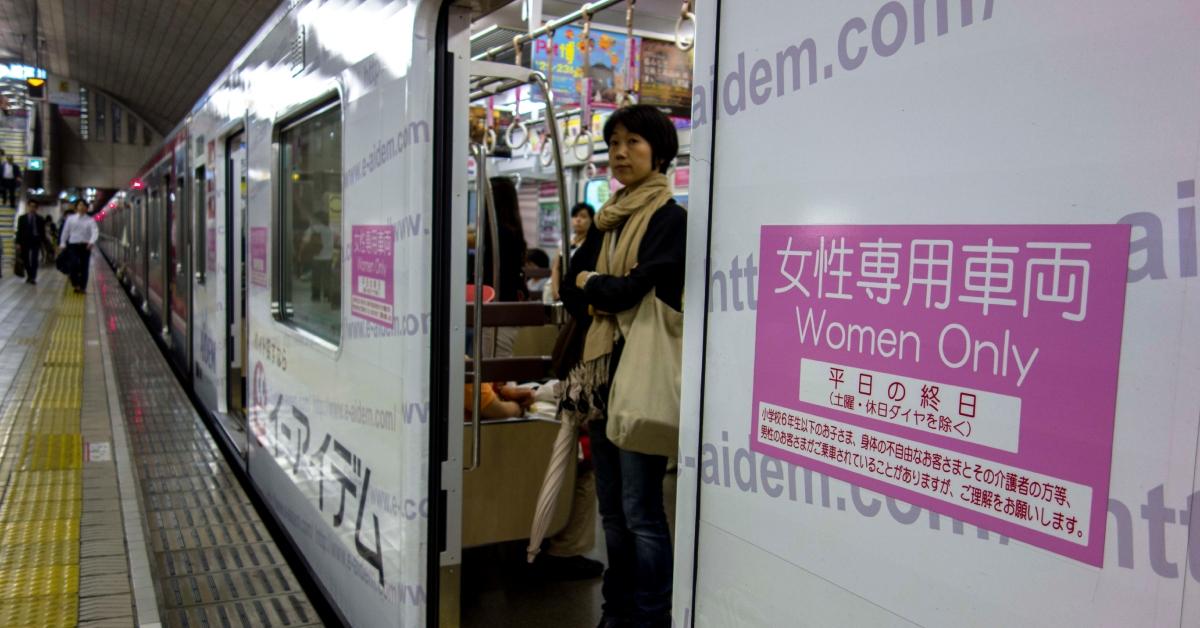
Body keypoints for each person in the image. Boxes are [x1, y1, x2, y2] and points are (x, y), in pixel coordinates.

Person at [569, 105, 685, 628]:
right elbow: (571, 286)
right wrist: (598, 288)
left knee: (642, 513)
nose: (619, 152)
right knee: (612, 512)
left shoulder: (670, 219)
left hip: (640, 379)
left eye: (633, 141)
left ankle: (651, 616)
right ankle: (616, 612)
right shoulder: (606, 220)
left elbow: (631, 289)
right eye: (613, 141)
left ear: (658, 151)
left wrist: (594, 286)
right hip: (601, 380)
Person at [475, 176, 528, 357]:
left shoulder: (498, 236)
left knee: (493, 365)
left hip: (496, 308)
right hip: (507, 307)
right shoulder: (512, 231)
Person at [550, 202, 598, 301]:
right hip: (560, 289)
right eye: (575, 216)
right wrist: (556, 291)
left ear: (591, 220)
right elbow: (556, 268)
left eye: (583, 217)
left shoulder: (592, 243)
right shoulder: (565, 241)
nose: (578, 220)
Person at [59, 198, 99, 293]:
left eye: (83, 205)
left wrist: (91, 242)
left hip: (85, 246)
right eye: (79, 205)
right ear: (76, 207)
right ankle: (75, 283)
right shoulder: (70, 219)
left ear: (86, 208)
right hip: (73, 245)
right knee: (74, 264)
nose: (81, 207)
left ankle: (82, 287)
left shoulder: (90, 220)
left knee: (84, 267)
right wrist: (62, 243)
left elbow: (95, 232)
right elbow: (65, 232)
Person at [16, 198, 47, 285]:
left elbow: (42, 232)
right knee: (25, 259)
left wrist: (44, 243)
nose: (32, 208)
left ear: (36, 208)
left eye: (34, 207)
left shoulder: (40, 219)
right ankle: (29, 275)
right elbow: (19, 231)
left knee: (34, 260)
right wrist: (18, 242)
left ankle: (33, 277)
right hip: (25, 241)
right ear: (28, 207)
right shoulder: (22, 218)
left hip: (35, 241)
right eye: (30, 206)